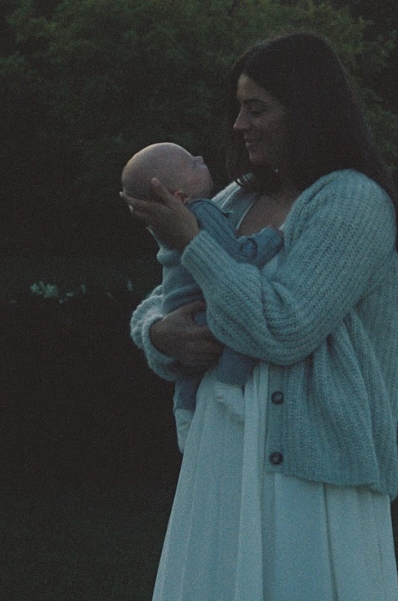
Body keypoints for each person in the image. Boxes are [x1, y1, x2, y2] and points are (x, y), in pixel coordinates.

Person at [121, 31, 398, 601]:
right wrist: (160, 334)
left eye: (257, 108)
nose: (238, 124)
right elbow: (161, 298)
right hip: (223, 461)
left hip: (314, 472)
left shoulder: (351, 203)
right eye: (238, 107)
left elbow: (284, 327)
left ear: (306, 109)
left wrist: (194, 242)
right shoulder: (236, 199)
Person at [120, 142, 284, 449]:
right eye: (192, 165)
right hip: (202, 309)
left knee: (191, 368)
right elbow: (240, 256)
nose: (201, 158)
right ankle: (229, 384)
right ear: (179, 197)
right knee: (239, 326)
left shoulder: (163, 226)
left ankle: (184, 410)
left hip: (177, 305)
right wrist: (271, 237)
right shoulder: (205, 210)